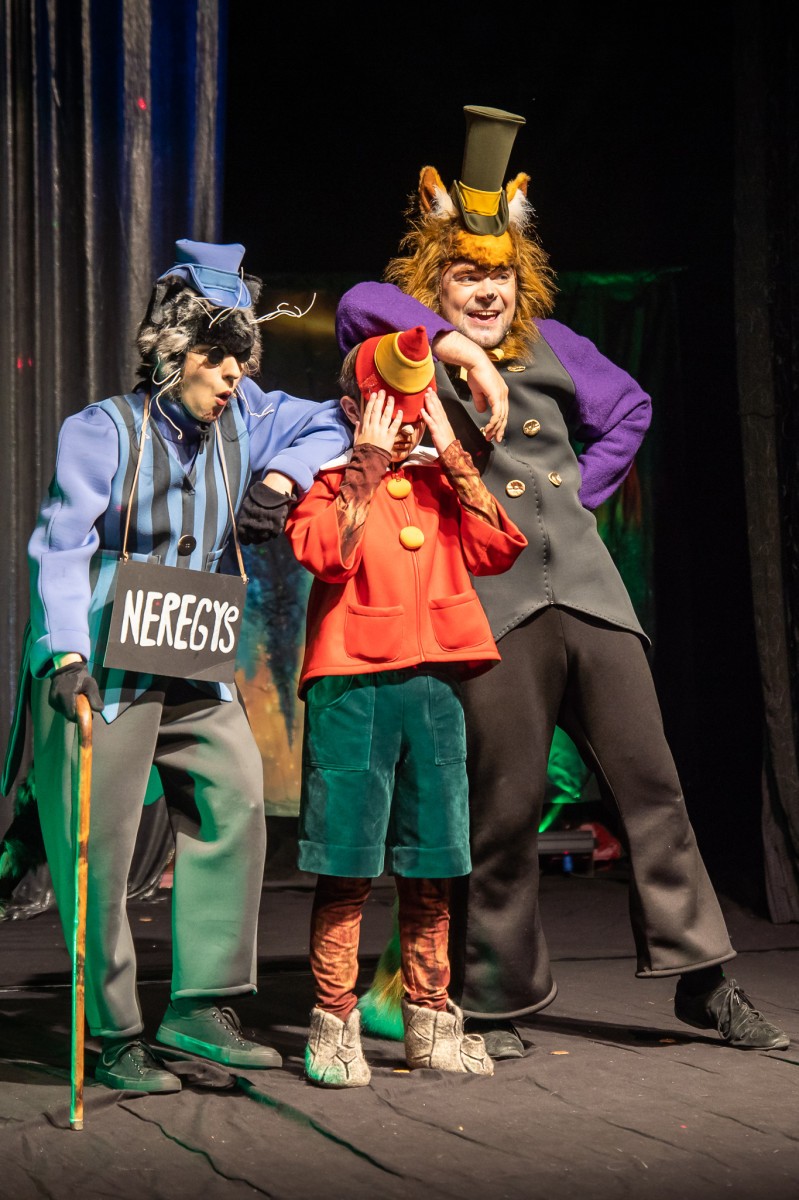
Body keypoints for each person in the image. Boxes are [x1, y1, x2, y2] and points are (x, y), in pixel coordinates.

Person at [334, 105, 791, 1058]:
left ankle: (704, 982)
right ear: (436, 283)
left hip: (587, 592)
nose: (486, 291)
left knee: (652, 789)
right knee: (500, 809)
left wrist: (575, 490)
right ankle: (494, 1000)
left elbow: (630, 407)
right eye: (467, 275)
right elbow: (354, 305)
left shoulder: (555, 346)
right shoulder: (410, 346)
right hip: (492, 605)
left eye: (499, 274)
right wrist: (454, 350)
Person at [15, 238, 352, 1092]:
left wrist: (280, 481)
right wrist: (64, 653)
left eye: (242, 356)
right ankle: (113, 1033)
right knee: (98, 845)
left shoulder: (248, 417)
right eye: (216, 354)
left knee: (234, 797)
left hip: (192, 650)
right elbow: (61, 546)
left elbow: (331, 424)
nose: (234, 372)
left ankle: (200, 1006)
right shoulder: (101, 430)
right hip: (103, 658)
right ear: (172, 351)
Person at [281, 325, 526, 1086]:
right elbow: (327, 554)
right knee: (347, 865)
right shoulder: (329, 483)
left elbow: (498, 547)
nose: (407, 424)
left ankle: (431, 1022)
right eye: (393, 410)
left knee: (432, 866)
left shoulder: (439, 487)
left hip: (436, 690)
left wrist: (450, 449)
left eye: (416, 411)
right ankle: (333, 1027)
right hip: (353, 691)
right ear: (356, 410)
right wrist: (367, 460)